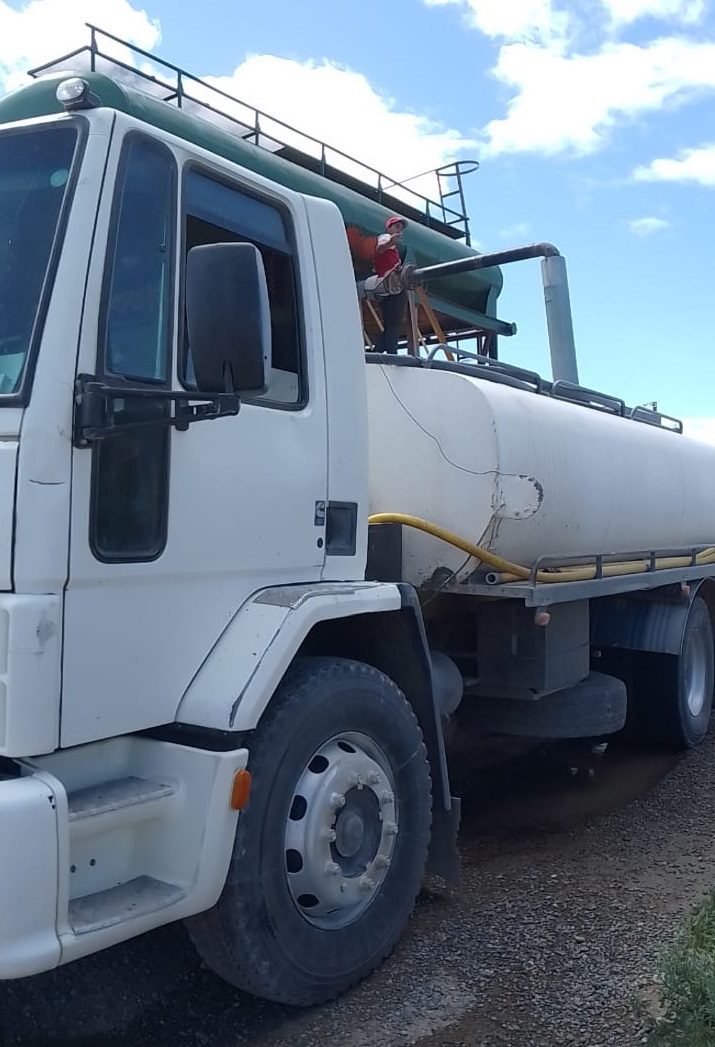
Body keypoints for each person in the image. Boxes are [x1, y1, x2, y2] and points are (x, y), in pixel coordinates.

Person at [373, 216, 407, 354]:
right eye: (397, 226)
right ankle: (392, 355)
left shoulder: (392, 248)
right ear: (389, 228)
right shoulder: (385, 238)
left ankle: (377, 353)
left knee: (390, 325)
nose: (400, 229)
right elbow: (380, 248)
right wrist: (390, 241)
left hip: (385, 288)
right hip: (392, 288)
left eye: (401, 227)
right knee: (393, 324)